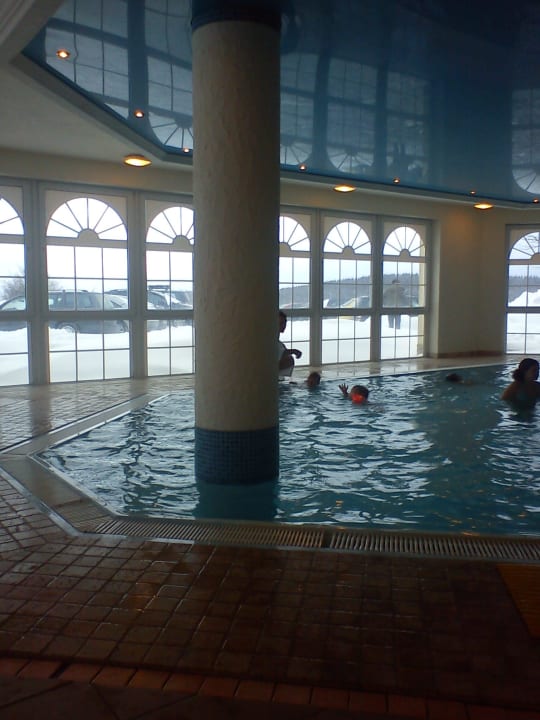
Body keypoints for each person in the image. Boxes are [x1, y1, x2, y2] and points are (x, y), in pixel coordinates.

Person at [278, 310, 302, 377]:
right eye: (281, 323)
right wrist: (294, 351)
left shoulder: (279, 343)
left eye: (285, 322)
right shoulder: (272, 342)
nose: (284, 325)